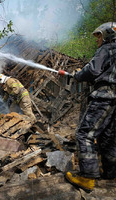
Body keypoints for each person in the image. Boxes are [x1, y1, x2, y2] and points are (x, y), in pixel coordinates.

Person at [65, 22, 116, 192]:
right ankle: (110, 173)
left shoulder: (107, 48)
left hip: (104, 97)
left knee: (84, 134)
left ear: (108, 35)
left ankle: (87, 177)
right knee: (108, 137)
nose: (97, 40)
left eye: (99, 36)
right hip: (114, 100)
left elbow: (92, 71)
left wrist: (78, 75)